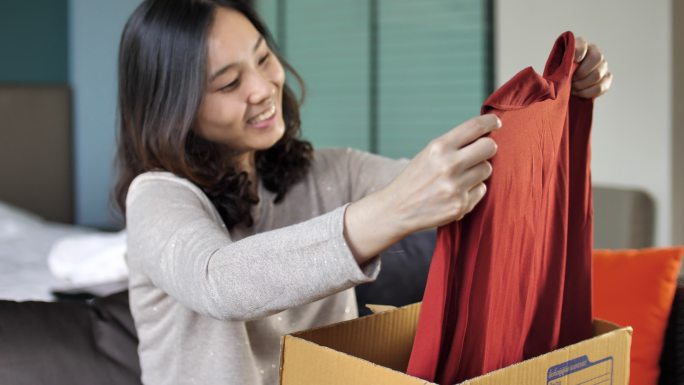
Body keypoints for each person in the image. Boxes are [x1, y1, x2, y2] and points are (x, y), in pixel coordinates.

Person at [114, 1, 613, 384]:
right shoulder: (156, 198)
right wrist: (388, 214)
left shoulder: (332, 171)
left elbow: (474, 187)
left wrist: (560, 109)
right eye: (228, 83)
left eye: (263, 59)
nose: (263, 88)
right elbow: (219, 282)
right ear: (174, 105)